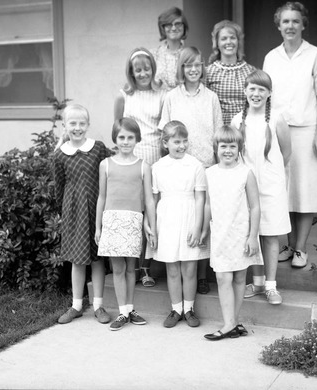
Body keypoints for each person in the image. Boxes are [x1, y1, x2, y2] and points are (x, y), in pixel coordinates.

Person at [263, 2, 317, 267]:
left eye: (295, 21)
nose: (290, 26)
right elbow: (266, 97)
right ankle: (289, 246)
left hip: (307, 132)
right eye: (285, 21)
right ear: (278, 25)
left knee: (305, 191)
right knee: (285, 191)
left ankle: (301, 249)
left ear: (303, 24)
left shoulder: (316, 55)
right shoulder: (271, 57)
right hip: (280, 132)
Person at [159, 46, 223, 294]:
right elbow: (166, 132)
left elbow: (218, 133)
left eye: (198, 64)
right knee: (184, 219)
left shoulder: (211, 97)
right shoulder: (172, 97)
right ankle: (182, 271)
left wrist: (217, 166)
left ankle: (202, 273)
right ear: (181, 69)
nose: (194, 69)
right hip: (179, 167)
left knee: (203, 218)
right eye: (188, 65)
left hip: (205, 164)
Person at [232, 70, 291, 305]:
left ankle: (271, 285)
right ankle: (256, 281)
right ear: (245, 91)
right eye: (252, 88)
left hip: (271, 184)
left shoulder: (277, 119)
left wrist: (271, 174)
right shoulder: (238, 121)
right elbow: (234, 154)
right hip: (247, 187)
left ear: (269, 93)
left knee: (270, 234)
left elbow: (286, 153)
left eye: (261, 89)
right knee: (252, 233)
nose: (256, 94)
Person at [95, 118, 157, 331]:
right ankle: (123, 312)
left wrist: (152, 226)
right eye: (121, 137)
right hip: (112, 220)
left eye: (130, 137)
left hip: (132, 220)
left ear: (137, 139)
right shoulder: (106, 165)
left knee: (132, 268)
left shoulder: (143, 166)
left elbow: (149, 199)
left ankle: (130, 310)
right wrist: (98, 226)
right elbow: (101, 197)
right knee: (118, 268)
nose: (126, 141)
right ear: (115, 139)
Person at [200, 125, 262, 340]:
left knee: (238, 278)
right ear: (216, 148)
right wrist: (203, 229)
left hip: (240, 234)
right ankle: (229, 323)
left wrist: (253, 236)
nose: (227, 150)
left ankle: (231, 323)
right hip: (220, 233)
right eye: (223, 146)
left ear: (239, 148)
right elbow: (208, 204)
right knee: (222, 277)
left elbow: (255, 206)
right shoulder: (210, 173)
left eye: (232, 146)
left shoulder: (246, 173)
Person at [146, 120, 209, 328]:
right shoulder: (157, 167)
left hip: (189, 215)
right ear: (165, 143)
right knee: (172, 268)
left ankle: (189, 309)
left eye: (184, 141)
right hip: (167, 219)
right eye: (176, 142)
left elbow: (200, 198)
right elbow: (153, 201)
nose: (182, 146)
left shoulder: (195, 165)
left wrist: (197, 226)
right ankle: (176, 308)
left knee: (189, 267)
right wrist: (152, 226)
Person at [53, 103, 111, 325]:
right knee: (78, 261)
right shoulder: (59, 155)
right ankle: (76, 305)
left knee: (97, 260)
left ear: (88, 124)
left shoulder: (98, 148)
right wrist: (66, 212)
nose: (77, 128)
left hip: (96, 211)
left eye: (81, 123)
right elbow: (59, 189)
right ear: (65, 125)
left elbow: (110, 171)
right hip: (74, 213)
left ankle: (98, 305)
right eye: (72, 123)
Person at [114, 47, 166, 287]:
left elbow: (165, 129)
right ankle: (131, 268)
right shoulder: (124, 96)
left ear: (152, 69)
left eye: (147, 69)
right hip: (132, 159)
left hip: (155, 157)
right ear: (131, 72)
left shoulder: (162, 94)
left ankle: (147, 268)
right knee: (133, 212)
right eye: (138, 70)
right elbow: (117, 130)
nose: (143, 73)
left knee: (151, 212)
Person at [206, 20, 256, 125]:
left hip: (246, 129)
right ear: (217, 43)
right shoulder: (208, 72)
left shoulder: (251, 71)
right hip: (221, 132)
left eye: (232, 37)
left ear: (238, 41)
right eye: (223, 39)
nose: (229, 42)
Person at [152, 6, 189, 90]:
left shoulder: (190, 56)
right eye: (169, 24)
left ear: (184, 27)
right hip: (159, 102)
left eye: (178, 24)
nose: (173, 28)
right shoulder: (153, 55)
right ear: (163, 28)